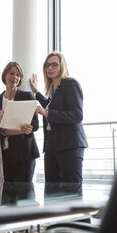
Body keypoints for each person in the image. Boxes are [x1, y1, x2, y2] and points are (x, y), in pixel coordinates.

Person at [29, 52, 88, 183]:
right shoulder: (54, 89)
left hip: (70, 145)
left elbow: (77, 115)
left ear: (62, 66)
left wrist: (47, 114)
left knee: (72, 190)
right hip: (52, 146)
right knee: (52, 192)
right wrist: (36, 92)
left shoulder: (70, 84)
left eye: (54, 65)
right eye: (47, 65)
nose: (50, 68)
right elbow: (51, 106)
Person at [0, 62, 40, 182]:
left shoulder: (27, 96)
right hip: (4, 154)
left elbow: (35, 124)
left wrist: (28, 129)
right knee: (6, 195)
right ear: (4, 76)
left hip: (24, 154)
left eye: (18, 75)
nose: (15, 77)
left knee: (24, 196)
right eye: (12, 73)